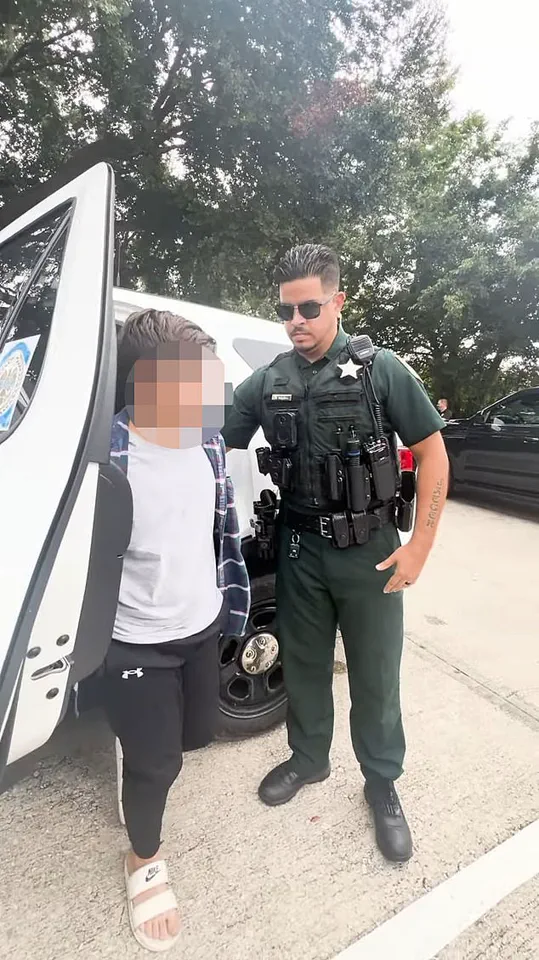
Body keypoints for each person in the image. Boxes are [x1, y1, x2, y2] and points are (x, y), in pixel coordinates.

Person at [222, 244, 448, 863]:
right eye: (285, 310)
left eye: (309, 308)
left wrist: (420, 546)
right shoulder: (269, 381)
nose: (295, 320)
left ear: (338, 301)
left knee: (375, 673)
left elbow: (433, 454)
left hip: (369, 550)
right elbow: (211, 439)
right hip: (299, 547)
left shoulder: (380, 370)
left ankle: (382, 782)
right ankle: (308, 759)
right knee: (303, 664)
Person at [105, 309, 250, 951]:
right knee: (157, 764)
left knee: (197, 736)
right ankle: (143, 857)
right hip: (135, 639)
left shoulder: (207, 443)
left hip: (201, 623)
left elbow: (220, 530)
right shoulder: (105, 461)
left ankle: (140, 743)